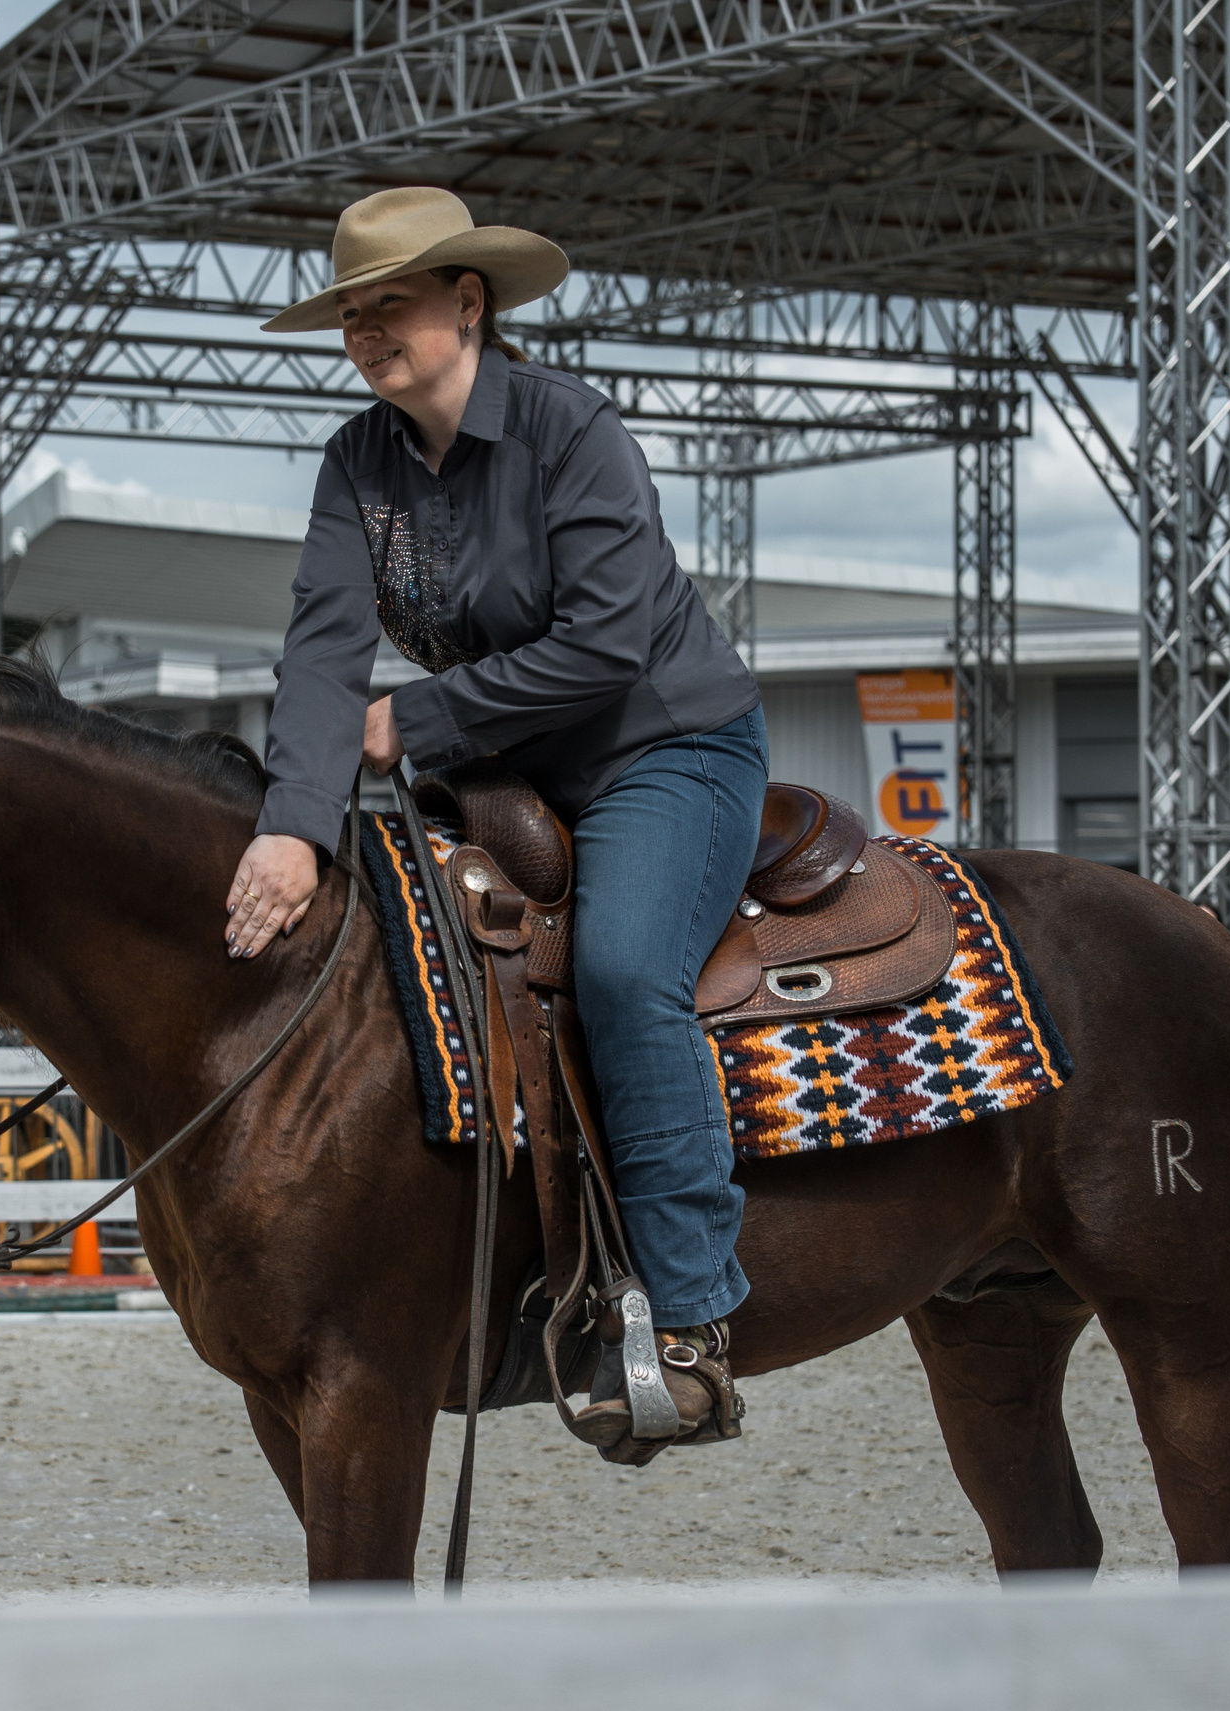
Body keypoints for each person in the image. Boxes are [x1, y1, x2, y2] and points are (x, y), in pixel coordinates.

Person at [236, 187, 766, 1451]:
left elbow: (607, 642)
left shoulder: (569, 427)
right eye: (350, 315)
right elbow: (318, 655)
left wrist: (412, 723)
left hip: (662, 749)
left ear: (468, 303)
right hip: (501, 779)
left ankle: (690, 1322)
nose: (367, 333)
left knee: (630, 967)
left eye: (392, 306)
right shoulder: (355, 462)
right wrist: (293, 826)